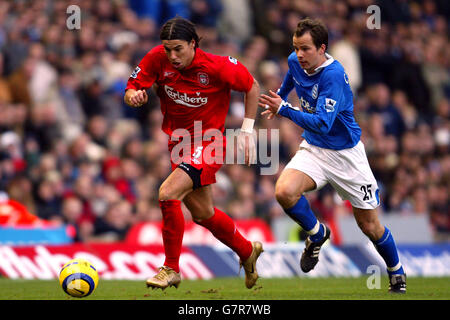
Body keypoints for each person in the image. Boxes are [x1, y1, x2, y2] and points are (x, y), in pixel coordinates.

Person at [259, 18, 406, 293]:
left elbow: (323, 123)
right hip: (315, 149)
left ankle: (396, 271)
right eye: (296, 47)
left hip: (346, 155)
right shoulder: (295, 60)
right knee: (284, 191)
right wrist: (279, 96)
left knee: (370, 226)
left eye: (305, 48)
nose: (299, 54)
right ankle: (317, 234)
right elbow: (292, 76)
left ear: (321, 48)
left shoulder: (333, 75)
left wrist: (284, 109)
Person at [124, 17, 263, 290]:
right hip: (179, 145)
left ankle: (171, 269)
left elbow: (252, 86)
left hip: (210, 143)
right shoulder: (156, 58)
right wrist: (134, 96)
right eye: (167, 50)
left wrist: (247, 131)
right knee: (203, 214)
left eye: (178, 49)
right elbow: (132, 87)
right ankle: (247, 251)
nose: (172, 56)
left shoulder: (218, 66)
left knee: (167, 193)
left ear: (193, 44)